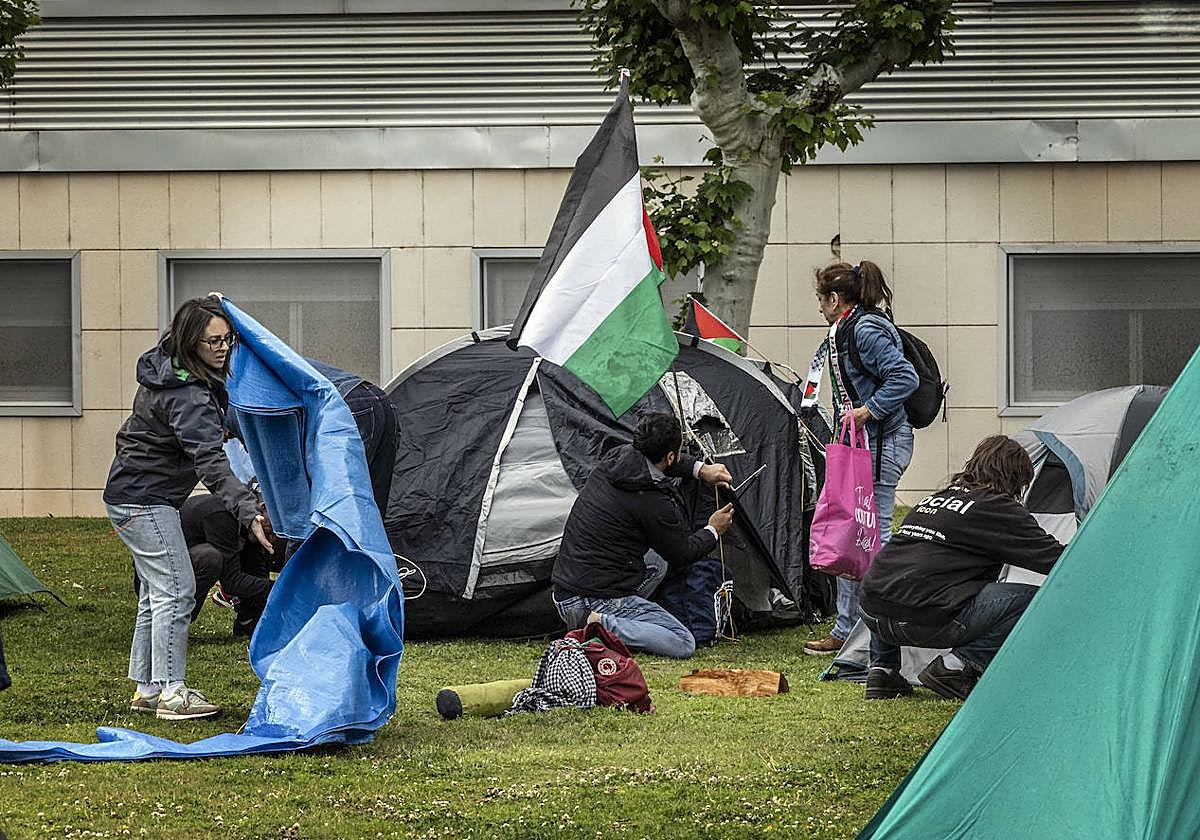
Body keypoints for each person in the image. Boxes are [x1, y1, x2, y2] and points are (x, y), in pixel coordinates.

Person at [104, 296, 274, 721]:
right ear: (190, 341)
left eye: (227, 339)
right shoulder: (186, 392)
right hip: (144, 500)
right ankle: (174, 694)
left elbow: (221, 424)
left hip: (135, 494)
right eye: (213, 340)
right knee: (177, 589)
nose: (222, 348)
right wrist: (247, 509)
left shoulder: (174, 369)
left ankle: (146, 689)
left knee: (156, 593)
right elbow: (210, 458)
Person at [859, 435, 1066, 701]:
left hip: (872, 613)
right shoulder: (998, 507)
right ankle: (955, 667)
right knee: (1034, 601)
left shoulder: (936, 499)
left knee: (897, 580)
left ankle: (882, 671)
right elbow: (1055, 559)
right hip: (920, 620)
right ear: (1017, 478)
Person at [551, 412, 734, 659]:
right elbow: (683, 552)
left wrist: (700, 469)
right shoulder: (653, 502)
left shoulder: (618, 458)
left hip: (565, 594)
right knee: (683, 642)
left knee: (657, 563)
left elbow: (668, 463)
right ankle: (599, 625)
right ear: (670, 456)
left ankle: (604, 619)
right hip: (594, 601)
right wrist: (713, 529)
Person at [804, 261, 918, 657]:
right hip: (866, 444)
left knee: (872, 536)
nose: (818, 308)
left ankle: (879, 632)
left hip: (882, 442)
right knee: (857, 534)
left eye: (820, 300)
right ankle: (848, 629)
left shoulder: (864, 330)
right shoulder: (849, 328)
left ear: (835, 300)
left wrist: (867, 411)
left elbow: (905, 378)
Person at [306, 359, 400, 516]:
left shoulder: (255, 377)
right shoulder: (271, 353)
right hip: (380, 399)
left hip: (346, 403)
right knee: (370, 514)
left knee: (336, 509)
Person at [180, 491, 277, 637]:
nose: (274, 536)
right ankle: (173, 621)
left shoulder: (248, 516)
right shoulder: (223, 514)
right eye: (275, 528)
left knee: (257, 550)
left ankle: (247, 621)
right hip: (163, 579)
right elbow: (232, 581)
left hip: (186, 562)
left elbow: (256, 572)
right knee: (210, 558)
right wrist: (279, 588)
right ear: (263, 508)